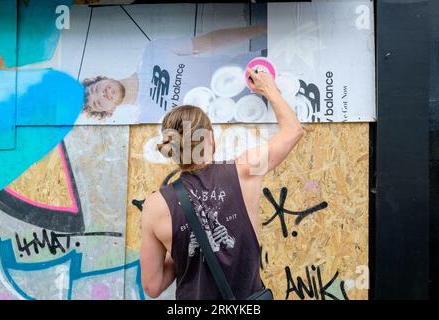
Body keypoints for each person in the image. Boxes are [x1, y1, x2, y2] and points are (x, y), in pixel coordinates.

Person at [140, 67, 304, 299]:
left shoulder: (155, 206)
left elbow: (152, 286)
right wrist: (269, 89)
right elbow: (293, 131)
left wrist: (182, 246)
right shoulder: (246, 171)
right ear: (210, 139)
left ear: (173, 149)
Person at [82, 24, 266, 121]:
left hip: (256, 68)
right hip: (254, 111)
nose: (102, 93)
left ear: (103, 79)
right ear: (109, 112)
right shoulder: (147, 120)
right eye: (99, 102)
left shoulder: (152, 51)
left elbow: (210, 41)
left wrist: (263, 28)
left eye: (96, 89)